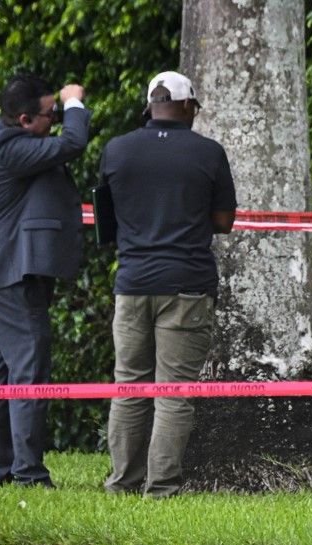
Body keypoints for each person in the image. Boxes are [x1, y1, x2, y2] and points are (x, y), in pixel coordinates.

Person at [100, 71, 237, 497]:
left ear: (150, 106)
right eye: (194, 107)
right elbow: (224, 221)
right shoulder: (208, 153)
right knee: (173, 391)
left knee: (129, 385)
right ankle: (161, 488)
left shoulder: (116, 150)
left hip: (132, 282)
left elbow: (106, 221)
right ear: (183, 105)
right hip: (186, 284)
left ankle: (122, 482)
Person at [0, 74, 91, 487]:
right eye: (50, 113)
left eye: (58, 110)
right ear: (24, 119)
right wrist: (75, 104)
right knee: (28, 372)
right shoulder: (10, 147)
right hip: (9, 278)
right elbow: (72, 144)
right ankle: (28, 475)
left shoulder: (3, 145)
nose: (55, 118)